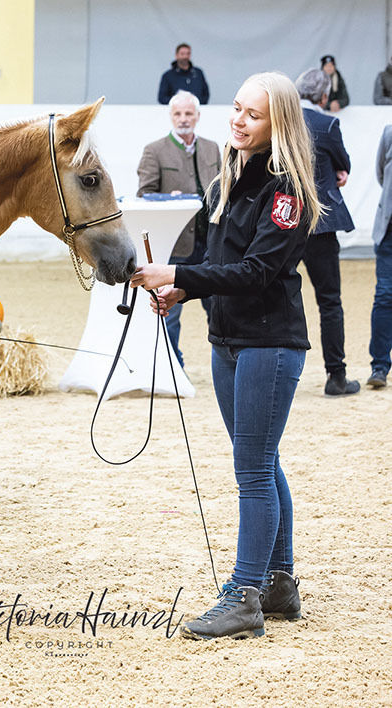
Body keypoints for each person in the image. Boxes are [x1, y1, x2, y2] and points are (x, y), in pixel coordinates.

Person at [132, 72, 323, 640]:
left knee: (253, 470)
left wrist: (178, 273)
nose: (238, 120)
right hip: (228, 341)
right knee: (260, 460)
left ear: (278, 123)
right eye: (236, 109)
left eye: (252, 114)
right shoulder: (228, 175)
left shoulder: (285, 188)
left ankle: (244, 594)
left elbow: (258, 271)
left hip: (270, 342)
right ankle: (279, 584)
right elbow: (220, 258)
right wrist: (184, 290)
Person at [136, 90, 221, 367]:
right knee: (169, 310)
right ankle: (172, 366)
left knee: (219, 306)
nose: (183, 119)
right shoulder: (154, 150)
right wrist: (166, 199)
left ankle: (225, 361)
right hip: (175, 245)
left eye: (188, 113)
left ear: (197, 116)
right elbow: (144, 195)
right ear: (170, 116)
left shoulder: (212, 148)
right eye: (177, 114)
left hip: (210, 243)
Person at [295, 69, 359, 396]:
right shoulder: (328, 124)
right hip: (320, 225)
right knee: (329, 302)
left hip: (284, 223)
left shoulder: (283, 123)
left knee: (271, 294)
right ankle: (336, 375)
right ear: (323, 97)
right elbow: (342, 162)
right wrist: (337, 172)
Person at [367, 124, 392, 389]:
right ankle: (380, 366)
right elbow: (382, 176)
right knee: (385, 296)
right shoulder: (389, 133)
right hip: (389, 232)